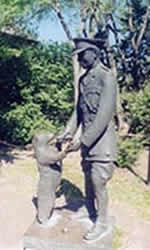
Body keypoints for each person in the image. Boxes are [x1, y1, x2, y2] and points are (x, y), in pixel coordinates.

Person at [57, 37, 117, 242]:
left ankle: (101, 222)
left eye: (82, 54)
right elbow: (79, 112)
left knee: (98, 181)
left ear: (94, 53)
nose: (80, 59)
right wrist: (67, 132)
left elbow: (104, 114)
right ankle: (90, 210)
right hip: (88, 143)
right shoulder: (83, 80)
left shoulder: (106, 76)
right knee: (88, 179)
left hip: (102, 142)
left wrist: (82, 140)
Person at [32, 132, 67, 226]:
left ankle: (46, 216)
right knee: (46, 199)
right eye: (46, 137)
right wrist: (67, 150)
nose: (49, 137)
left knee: (51, 197)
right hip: (47, 181)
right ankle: (43, 218)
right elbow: (56, 157)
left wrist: (59, 144)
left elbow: (56, 151)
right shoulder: (42, 153)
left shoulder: (46, 148)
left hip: (52, 180)